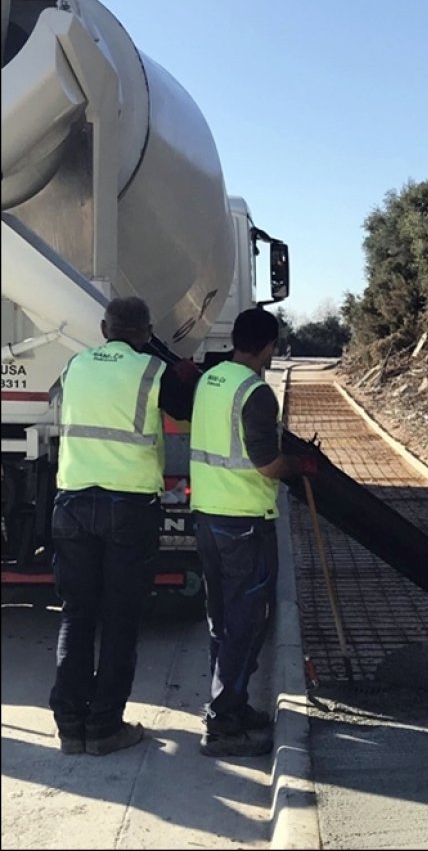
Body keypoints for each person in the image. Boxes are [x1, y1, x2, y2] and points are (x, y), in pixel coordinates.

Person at [50, 296, 200, 755]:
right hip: (128, 508)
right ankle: (104, 727)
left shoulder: (74, 365)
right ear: (148, 331)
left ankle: (70, 726)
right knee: (119, 617)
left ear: (102, 327)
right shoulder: (152, 371)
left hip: (72, 502)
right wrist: (184, 375)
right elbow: (185, 411)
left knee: (77, 614)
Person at [189, 308, 316, 756]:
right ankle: (223, 724)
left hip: (208, 516)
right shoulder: (256, 392)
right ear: (267, 346)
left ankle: (234, 704)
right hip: (244, 521)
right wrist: (299, 467)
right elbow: (265, 462)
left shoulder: (212, 380)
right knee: (245, 622)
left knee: (223, 620)